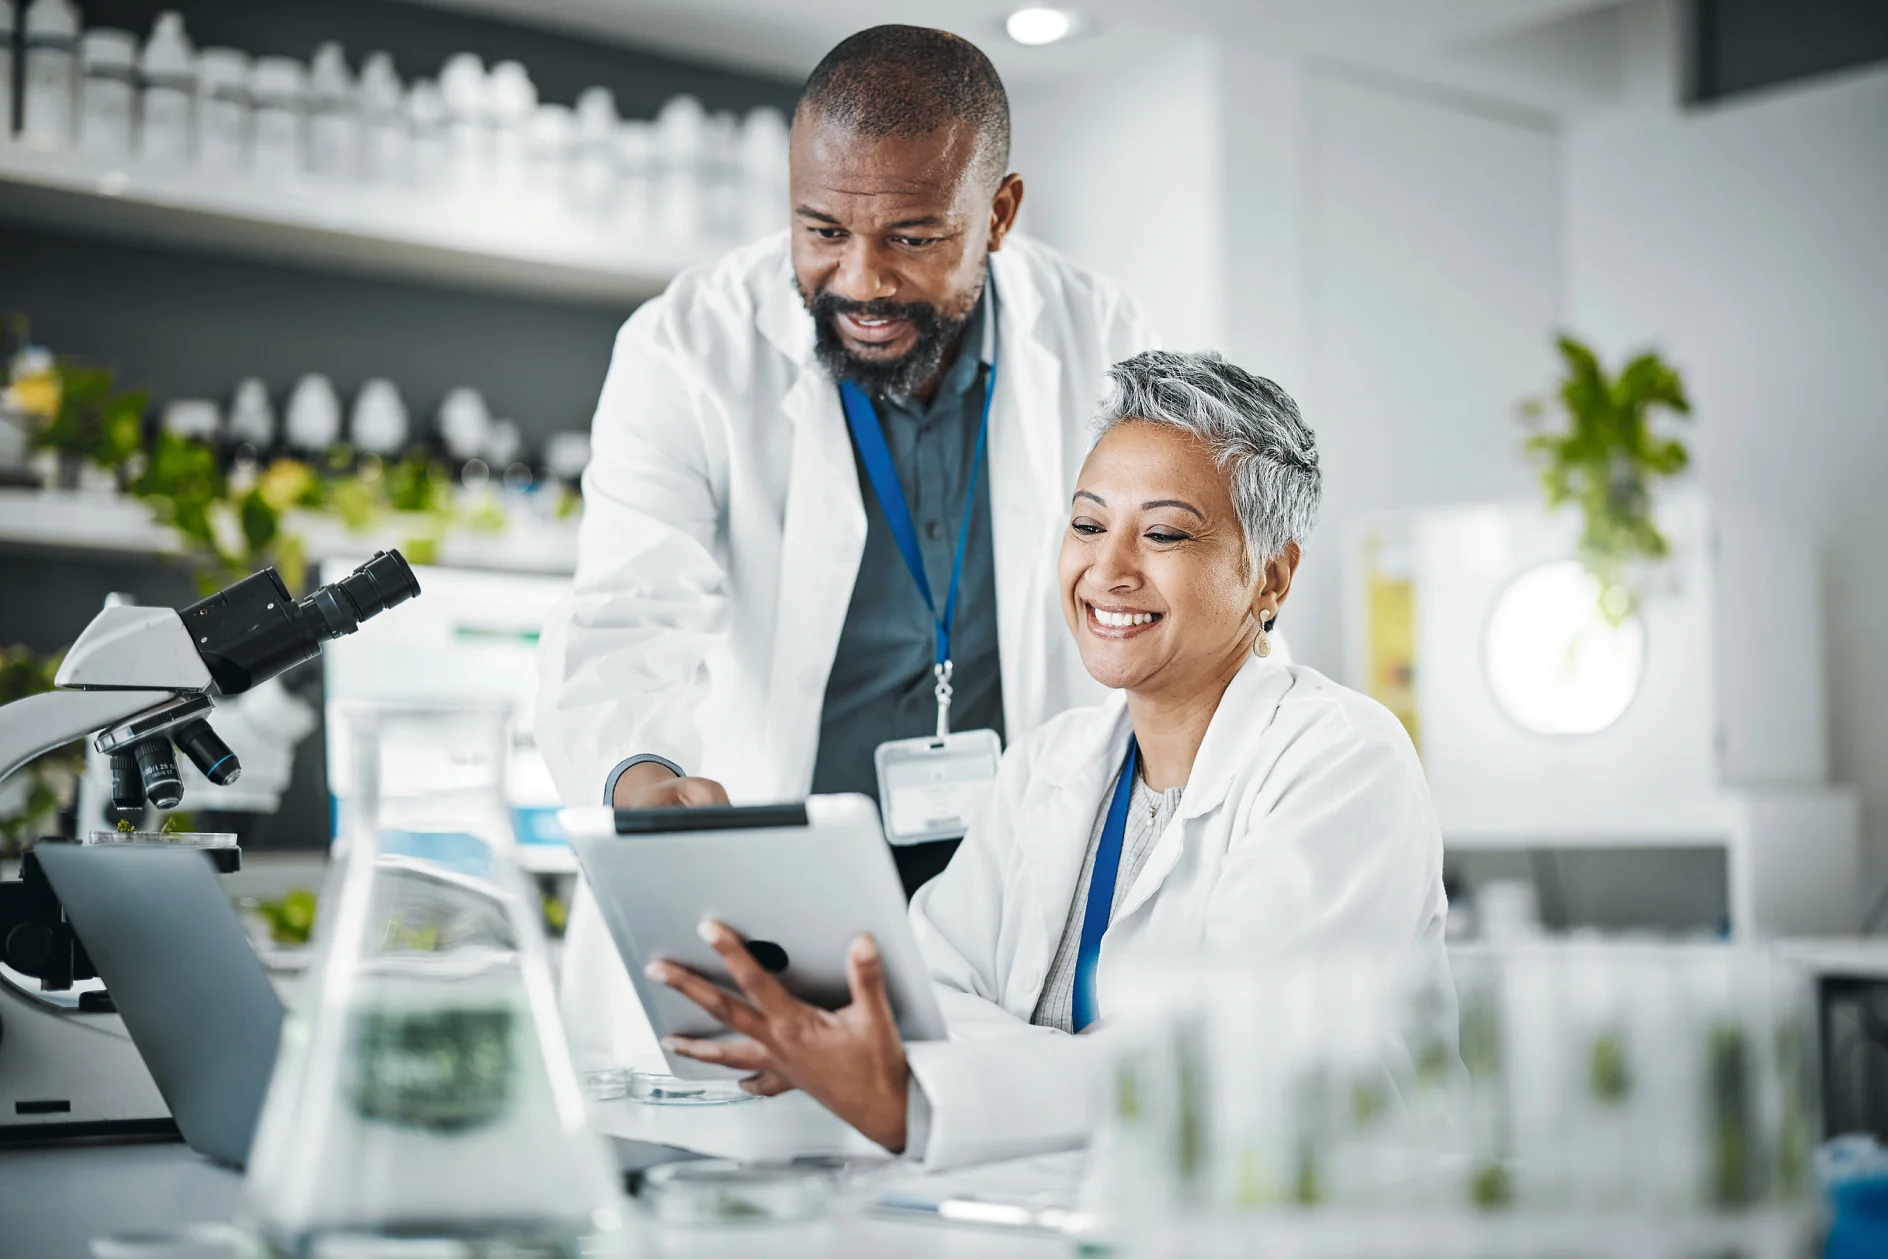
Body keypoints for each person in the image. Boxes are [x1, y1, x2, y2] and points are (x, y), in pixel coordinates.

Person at [646, 350, 1453, 1169]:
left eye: (1165, 533)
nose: (1107, 570)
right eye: (1088, 524)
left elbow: (1229, 1066)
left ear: (1271, 577)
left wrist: (945, 1084)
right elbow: (927, 1002)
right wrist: (1066, 1063)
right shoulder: (1048, 765)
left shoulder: (1342, 760)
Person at [537, 27, 1155, 1074]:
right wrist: (641, 774)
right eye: (819, 228)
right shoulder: (686, 345)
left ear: (998, 213)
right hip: (776, 901)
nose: (857, 280)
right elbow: (626, 616)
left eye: (913, 238)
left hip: (1004, 910)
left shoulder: (1098, 336)